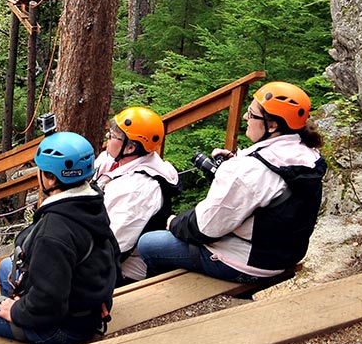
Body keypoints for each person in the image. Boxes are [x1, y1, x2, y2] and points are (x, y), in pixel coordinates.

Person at [137, 81, 326, 283]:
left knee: (149, 244)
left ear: (272, 125)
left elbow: (205, 228)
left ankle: (167, 297)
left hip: (249, 263)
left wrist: (173, 222)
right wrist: (231, 167)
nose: (245, 117)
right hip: (283, 255)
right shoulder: (309, 155)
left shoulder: (249, 170)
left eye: (252, 114)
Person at [0, 132, 119, 344]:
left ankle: (12, 338)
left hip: (65, 327)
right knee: (5, 267)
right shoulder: (91, 201)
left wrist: (18, 311)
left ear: (51, 178)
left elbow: (49, 304)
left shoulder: (54, 232)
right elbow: (112, 254)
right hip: (88, 305)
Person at [93, 107, 179, 284]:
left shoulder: (138, 189)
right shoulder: (112, 160)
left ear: (131, 147)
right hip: (103, 249)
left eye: (113, 135)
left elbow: (114, 245)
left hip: (123, 272)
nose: (107, 137)